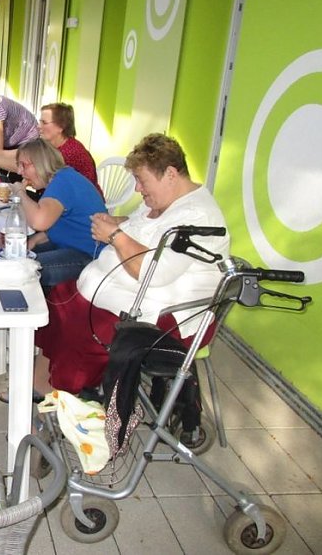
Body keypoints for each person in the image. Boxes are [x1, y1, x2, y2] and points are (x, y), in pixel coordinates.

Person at [30, 133, 230, 398]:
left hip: (167, 320)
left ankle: (64, 394)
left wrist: (115, 236)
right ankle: (43, 381)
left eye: (141, 180)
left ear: (170, 174)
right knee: (60, 298)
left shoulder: (198, 217)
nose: (137, 189)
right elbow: (147, 229)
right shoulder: (163, 201)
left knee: (82, 327)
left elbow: (153, 273)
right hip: (124, 301)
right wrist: (119, 223)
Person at [11, 139, 106, 287]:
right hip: (70, 245)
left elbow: (39, 222)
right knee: (13, 254)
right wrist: (35, 240)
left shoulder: (63, 182)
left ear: (41, 162)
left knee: (22, 270)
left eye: (23, 165)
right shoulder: (62, 178)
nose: (19, 172)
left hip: (89, 257)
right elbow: (62, 223)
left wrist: (20, 193)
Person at [37, 103, 102, 196]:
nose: (38, 126)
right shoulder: (55, 146)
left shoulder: (69, 152)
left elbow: (43, 181)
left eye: (44, 122)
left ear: (61, 127)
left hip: (82, 206)